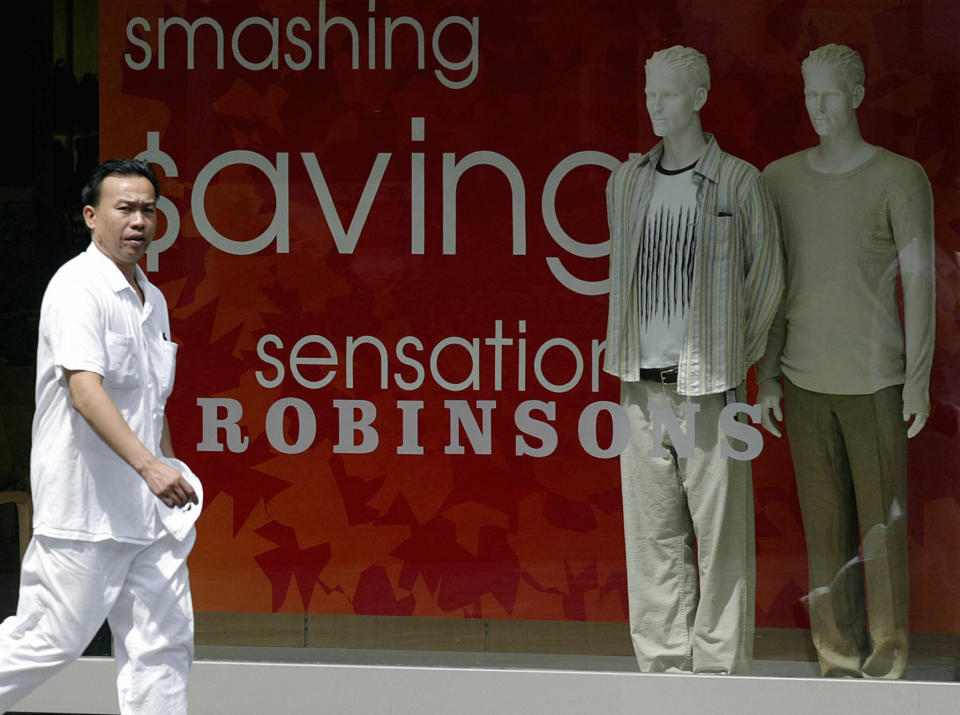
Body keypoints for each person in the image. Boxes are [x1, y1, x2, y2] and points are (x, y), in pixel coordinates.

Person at [756, 44, 935, 680]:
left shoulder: (900, 177)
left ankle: (884, 667)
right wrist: (769, 373)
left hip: (877, 382)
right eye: (809, 94)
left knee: (882, 535)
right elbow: (773, 286)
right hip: (804, 385)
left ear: (858, 94)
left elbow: (919, 284)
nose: (819, 107)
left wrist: (916, 383)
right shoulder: (777, 180)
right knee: (824, 531)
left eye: (830, 94)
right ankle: (836, 663)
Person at [604, 45, 783, 674]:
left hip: (709, 387)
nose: (655, 105)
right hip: (639, 386)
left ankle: (717, 670)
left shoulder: (739, 181)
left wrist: (735, 354)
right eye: (649, 92)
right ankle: (660, 664)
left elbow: (767, 284)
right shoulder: (625, 183)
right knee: (651, 536)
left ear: (701, 97)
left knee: (720, 538)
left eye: (669, 94)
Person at [0, 159, 199, 712]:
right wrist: (150, 466)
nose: (139, 221)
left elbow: (150, 403)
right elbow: (86, 392)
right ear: (91, 216)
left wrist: (171, 470)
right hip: (86, 506)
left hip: (148, 510)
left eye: (149, 210)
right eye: (125, 208)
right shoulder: (77, 286)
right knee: (48, 640)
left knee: (163, 643)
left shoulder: (150, 298)